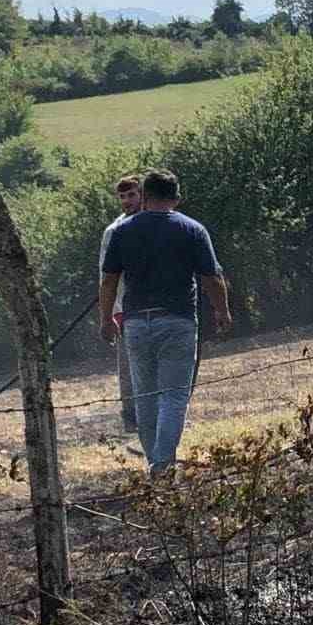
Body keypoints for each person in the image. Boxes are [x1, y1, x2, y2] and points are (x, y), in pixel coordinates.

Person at [99, 169, 232, 474]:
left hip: (135, 323)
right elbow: (212, 277)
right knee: (174, 395)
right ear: (177, 198)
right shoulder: (192, 229)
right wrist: (222, 311)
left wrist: (106, 319)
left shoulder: (122, 231)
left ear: (143, 197)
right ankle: (161, 465)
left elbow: (108, 281)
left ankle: (156, 464)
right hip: (178, 321)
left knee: (144, 397)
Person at [98, 174, 143, 432]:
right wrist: (110, 313)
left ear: (142, 195)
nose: (127, 201)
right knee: (129, 368)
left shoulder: (156, 222)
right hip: (126, 307)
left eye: (132, 195)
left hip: (154, 303)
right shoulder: (113, 231)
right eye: (123, 196)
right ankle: (131, 419)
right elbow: (105, 276)